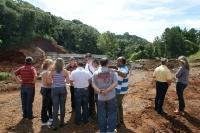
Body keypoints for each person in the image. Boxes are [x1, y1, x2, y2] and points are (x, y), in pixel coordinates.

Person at [92, 58, 118, 133]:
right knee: (112, 112)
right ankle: (111, 130)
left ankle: (102, 130)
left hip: (100, 97)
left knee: (101, 114)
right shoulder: (112, 72)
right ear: (107, 63)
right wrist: (107, 91)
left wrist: (100, 91)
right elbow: (115, 83)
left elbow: (93, 84)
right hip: (111, 96)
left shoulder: (95, 73)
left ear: (100, 63)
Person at [49, 58, 69, 130]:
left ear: (55, 63)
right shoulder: (65, 71)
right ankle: (62, 123)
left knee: (55, 107)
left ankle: (54, 125)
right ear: (62, 63)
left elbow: (50, 81)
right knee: (62, 106)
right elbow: (67, 82)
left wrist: (54, 82)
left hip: (54, 89)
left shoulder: (52, 71)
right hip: (63, 89)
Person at [114, 56, 129, 127]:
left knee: (116, 105)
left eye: (118, 61)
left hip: (120, 90)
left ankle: (117, 122)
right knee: (119, 105)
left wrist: (116, 71)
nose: (116, 62)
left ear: (122, 62)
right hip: (120, 89)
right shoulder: (121, 68)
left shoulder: (125, 68)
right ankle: (120, 119)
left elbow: (124, 75)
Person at [40, 59, 54, 126]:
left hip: (46, 89)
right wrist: (55, 82)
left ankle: (50, 117)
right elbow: (48, 83)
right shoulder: (46, 73)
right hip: (47, 90)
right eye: (52, 64)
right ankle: (44, 120)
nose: (53, 65)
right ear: (49, 64)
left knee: (49, 104)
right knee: (45, 105)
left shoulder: (46, 71)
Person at [84, 53, 95, 117]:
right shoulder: (87, 64)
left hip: (92, 83)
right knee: (88, 97)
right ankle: (90, 110)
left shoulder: (94, 64)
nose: (86, 60)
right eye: (85, 59)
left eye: (87, 59)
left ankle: (92, 111)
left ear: (90, 58)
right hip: (87, 83)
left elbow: (96, 74)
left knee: (91, 97)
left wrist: (91, 80)